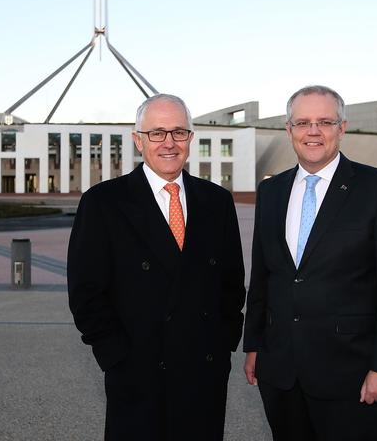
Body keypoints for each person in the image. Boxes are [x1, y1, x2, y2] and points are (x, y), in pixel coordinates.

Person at [243, 85, 377, 441]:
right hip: (282, 372)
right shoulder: (272, 191)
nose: (313, 131)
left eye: (325, 121)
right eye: (303, 122)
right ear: (288, 129)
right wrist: (254, 346)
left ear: (342, 127)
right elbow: (264, 276)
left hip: (351, 375)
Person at [67, 93, 246, 440]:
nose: (169, 143)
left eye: (179, 132)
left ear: (191, 139)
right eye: (157, 133)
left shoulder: (216, 201)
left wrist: (222, 344)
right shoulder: (103, 203)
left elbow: (231, 283)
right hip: (138, 372)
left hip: (203, 371)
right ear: (138, 140)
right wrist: (115, 356)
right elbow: (86, 291)